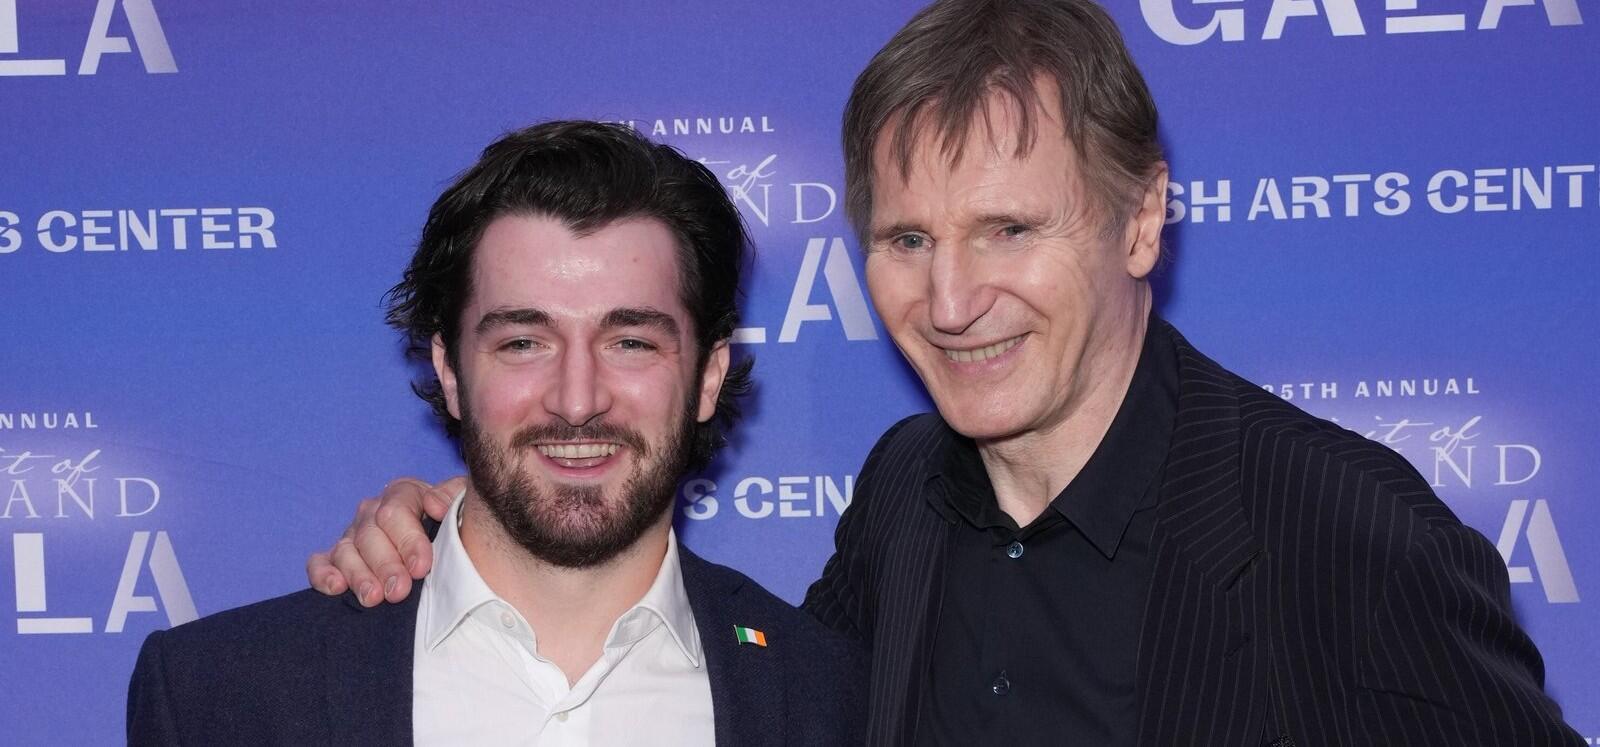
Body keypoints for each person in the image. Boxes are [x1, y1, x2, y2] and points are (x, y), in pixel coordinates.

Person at [306, 1, 1582, 744]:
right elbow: (760, 680)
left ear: (1142, 220)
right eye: (908, 241)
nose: (953, 302)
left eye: (1010, 230)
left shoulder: (1347, 533)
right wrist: (481, 534)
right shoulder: (906, 492)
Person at [127, 121, 864, 746]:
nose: (577, 400)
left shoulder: (839, 702)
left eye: (631, 342)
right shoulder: (218, 696)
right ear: (449, 369)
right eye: (523, 342)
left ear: (707, 376)